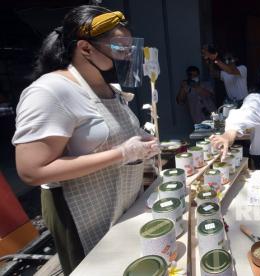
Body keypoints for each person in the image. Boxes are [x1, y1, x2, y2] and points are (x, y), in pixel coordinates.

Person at [12, 6, 159, 275]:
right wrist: (121, 154)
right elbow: (31, 171)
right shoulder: (51, 90)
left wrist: (138, 144)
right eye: (119, 46)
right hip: (80, 211)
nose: (127, 54)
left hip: (119, 201)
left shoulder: (109, 89)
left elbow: (112, 139)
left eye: (129, 46)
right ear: (86, 48)